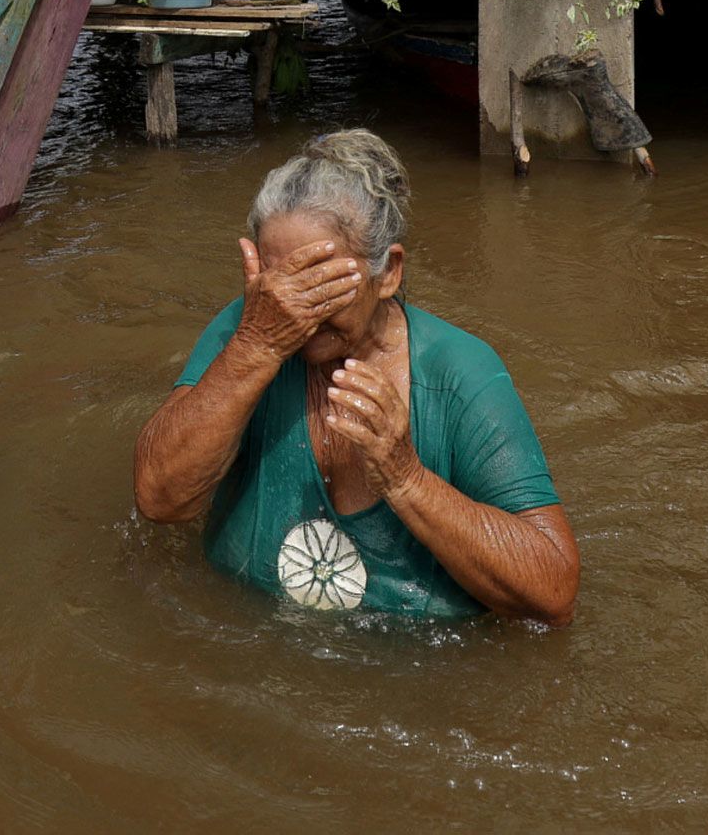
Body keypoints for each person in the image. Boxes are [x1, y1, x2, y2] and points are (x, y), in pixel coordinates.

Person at [132, 130, 580, 622]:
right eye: (283, 287)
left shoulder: (460, 373)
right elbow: (159, 498)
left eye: (326, 283)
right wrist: (255, 347)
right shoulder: (251, 329)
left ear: (387, 273)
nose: (299, 312)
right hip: (248, 634)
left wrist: (406, 479)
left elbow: (553, 592)